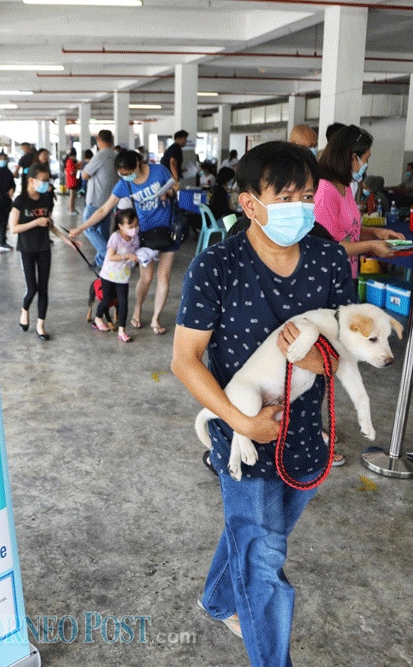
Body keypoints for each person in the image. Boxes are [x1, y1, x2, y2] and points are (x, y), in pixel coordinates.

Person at [172, 140, 355, 667]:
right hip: (242, 435)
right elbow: (186, 359)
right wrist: (242, 423)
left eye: (307, 194)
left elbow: (345, 344)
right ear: (249, 203)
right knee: (265, 559)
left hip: (305, 437)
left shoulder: (327, 259)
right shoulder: (218, 266)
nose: (300, 205)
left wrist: (320, 359)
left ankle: (215, 599)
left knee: (256, 537)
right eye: (286, 195)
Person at [71, 149, 179, 335]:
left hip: (168, 230)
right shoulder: (124, 185)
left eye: (128, 173)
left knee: (164, 277)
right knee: (146, 278)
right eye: (122, 174)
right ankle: (137, 310)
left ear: (137, 163)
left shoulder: (158, 171)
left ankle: (156, 318)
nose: (126, 177)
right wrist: (80, 228)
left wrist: (167, 193)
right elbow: (104, 209)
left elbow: (175, 187)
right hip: (144, 233)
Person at [315, 125, 404, 279]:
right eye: (366, 159)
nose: (366, 164)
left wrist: (376, 233)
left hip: (348, 274)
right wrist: (371, 245)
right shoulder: (324, 192)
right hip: (329, 278)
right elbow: (329, 245)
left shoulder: (345, 186)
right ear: (352, 157)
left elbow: (348, 230)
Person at [10, 163, 75, 341]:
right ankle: (25, 309)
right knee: (32, 288)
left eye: (48, 180)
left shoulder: (46, 199)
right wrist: (35, 222)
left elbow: (49, 224)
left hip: (44, 247)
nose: (47, 184)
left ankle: (40, 325)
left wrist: (66, 239)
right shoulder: (20, 201)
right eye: (44, 180)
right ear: (31, 180)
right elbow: (13, 228)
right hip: (27, 249)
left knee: (44, 288)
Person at [92, 209, 141, 342]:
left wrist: (139, 258)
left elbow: (136, 252)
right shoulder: (115, 237)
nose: (134, 229)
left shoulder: (135, 238)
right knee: (107, 299)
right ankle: (97, 318)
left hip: (123, 277)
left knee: (123, 302)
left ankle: (122, 331)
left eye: (136, 225)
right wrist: (127, 256)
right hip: (108, 275)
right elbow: (111, 256)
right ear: (120, 226)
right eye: (130, 226)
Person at [80, 130, 117, 268]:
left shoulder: (101, 155)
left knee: (88, 227)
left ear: (99, 140)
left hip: (95, 200)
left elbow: (85, 175)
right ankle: (102, 260)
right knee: (104, 231)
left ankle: (107, 254)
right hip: (108, 200)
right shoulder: (115, 155)